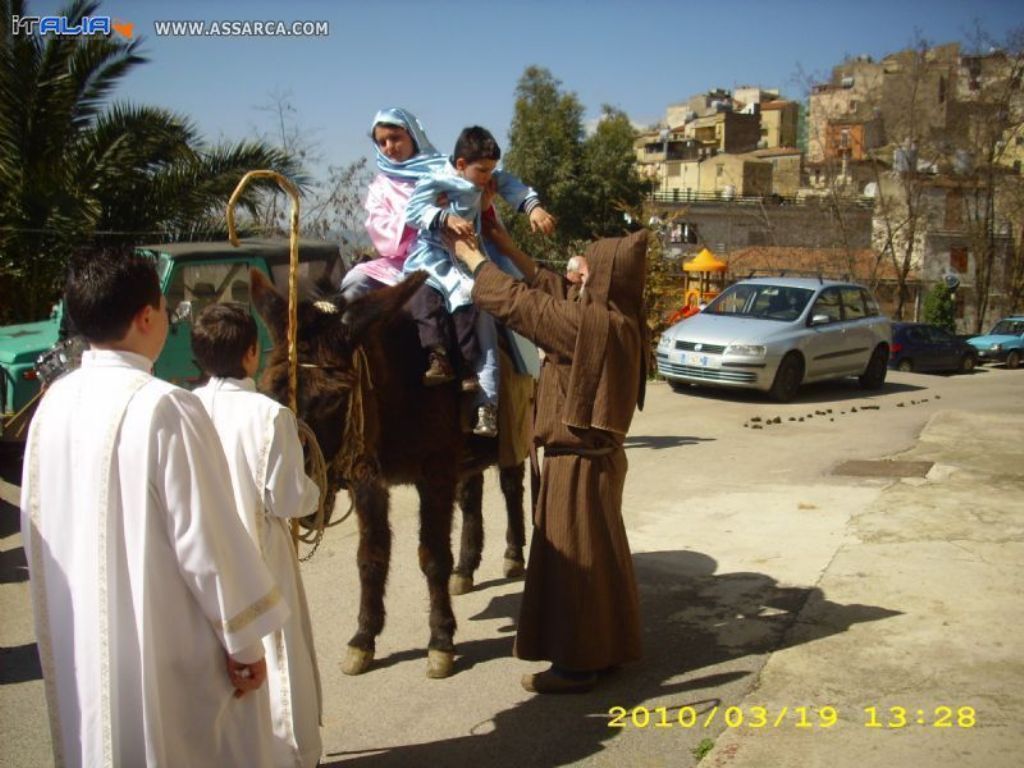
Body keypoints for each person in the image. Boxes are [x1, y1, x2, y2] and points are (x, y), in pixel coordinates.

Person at [21, 247, 288, 766]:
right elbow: (205, 540)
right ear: (147, 316)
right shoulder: (164, 405)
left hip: (84, 647)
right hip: (164, 646)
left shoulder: (54, 401)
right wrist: (246, 645)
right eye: (165, 306)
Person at [448, 219, 648, 694]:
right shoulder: (619, 317)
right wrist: (506, 246)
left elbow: (522, 305)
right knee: (600, 561)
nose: (576, 272)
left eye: (588, 267)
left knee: (573, 565)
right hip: (597, 461)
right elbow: (549, 287)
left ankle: (576, 667)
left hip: (576, 464)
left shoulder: (588, 326)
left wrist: (471, 258)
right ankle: (607, 649)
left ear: (602, 278)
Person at [192, 303, 323, 768]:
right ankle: (290, 756)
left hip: (205, 561)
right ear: (252, 354)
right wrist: (315, 490)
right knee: (277, 656)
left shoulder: (185, 408)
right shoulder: (269, 416)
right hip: (260, 555)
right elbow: (288, 499)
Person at [404, 125, 555, 436]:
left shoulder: (489, 178)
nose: (489, 177)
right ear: (461, 165)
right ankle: (437, 356)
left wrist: (534, 208)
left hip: (469, 262)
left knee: (480, 312)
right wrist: (445, 217)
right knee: (423, 296)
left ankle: (486, 403)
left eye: (491, 170)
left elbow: (513, 186)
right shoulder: (435, 177)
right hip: (432, 259)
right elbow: (413, 209)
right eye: (483, 170)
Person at [339, 107, 444, 302]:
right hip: (399, 264)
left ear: (413, 135)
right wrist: (417, 212)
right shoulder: (380, 186)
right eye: (382, 142)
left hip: (445, 256)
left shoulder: (443, 172)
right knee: (356, 282)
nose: (389, 147)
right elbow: (381, 230)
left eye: (395, 138)